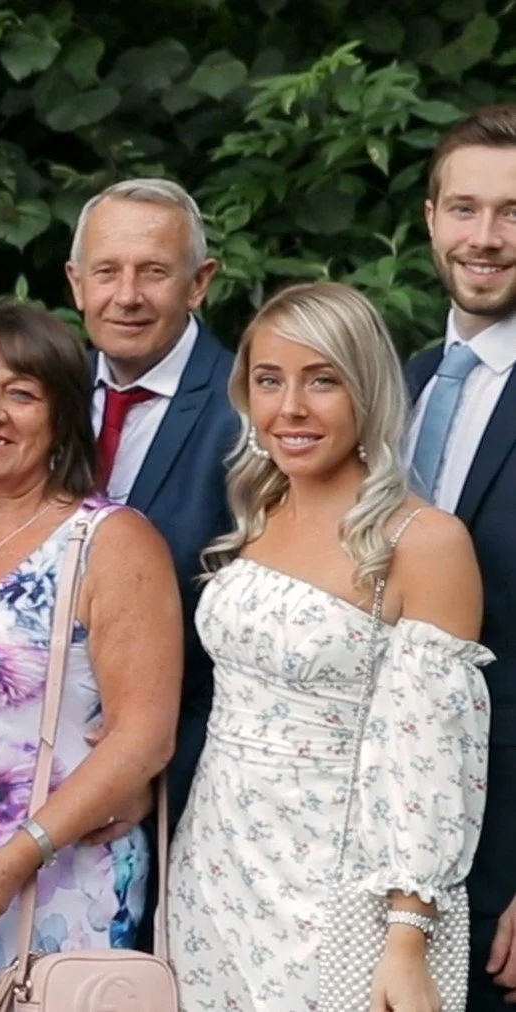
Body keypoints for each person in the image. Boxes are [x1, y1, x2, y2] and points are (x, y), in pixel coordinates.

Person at [172, 281, 491, 1010]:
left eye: (321, 380)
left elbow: (431, 759)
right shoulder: (258, 508)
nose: (289, 408)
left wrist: (406, 940)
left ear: (367, 390)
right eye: (267, 381)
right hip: (213, 873)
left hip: (339, 895)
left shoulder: (423, 542)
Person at [0, 303, 180, 1009]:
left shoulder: (109, 540)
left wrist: (22, 852)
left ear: (61, 416)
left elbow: (144, 735)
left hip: (55, 879)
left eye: (19, 393)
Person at [63, 178, 236, 832]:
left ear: (198, 283)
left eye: (154, 272)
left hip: (183, 792)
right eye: (106, 271)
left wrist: (150, 778)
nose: (126, 296)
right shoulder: (45, 396)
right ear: (76, 283)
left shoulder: (248, 408)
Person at [408, 105, 516, 1006]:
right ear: (430, 218)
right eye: (464, 208)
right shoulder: (393, 387)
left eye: (514, 212)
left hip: (504, 851)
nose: (484, 238)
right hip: (380, 845)